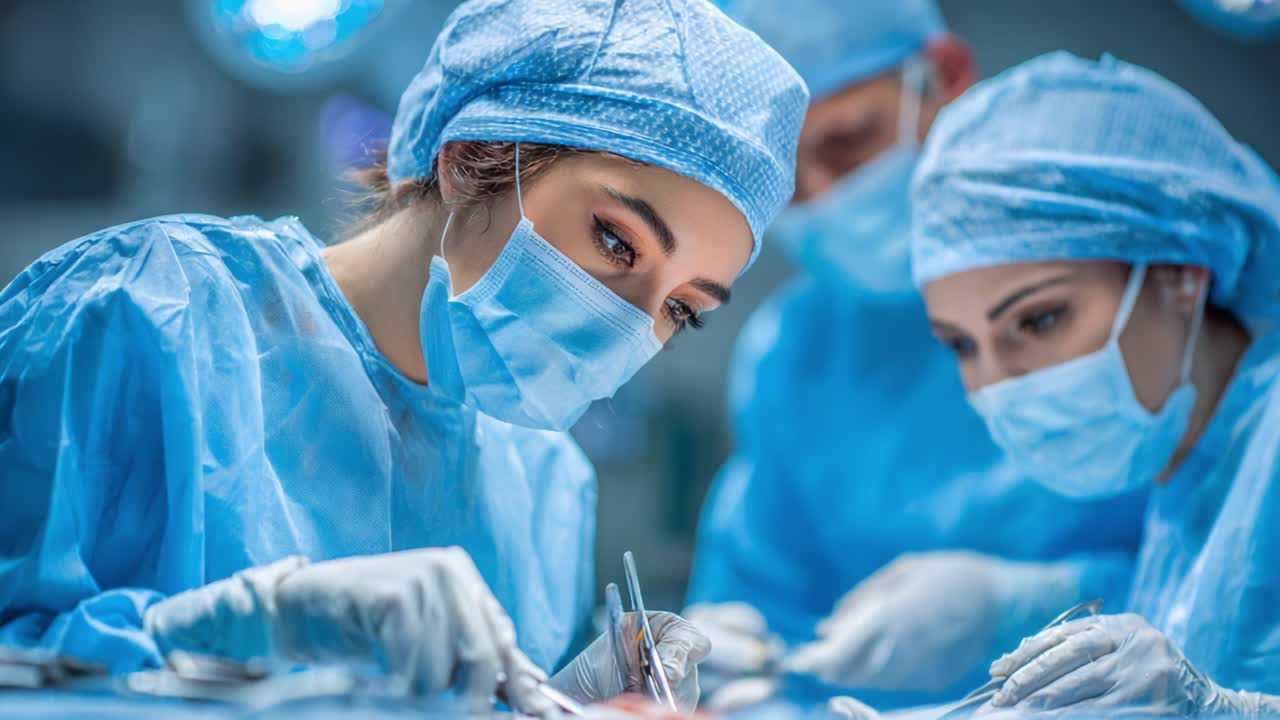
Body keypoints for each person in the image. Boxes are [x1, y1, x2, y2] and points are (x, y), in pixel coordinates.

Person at [0, 0, 808, 715]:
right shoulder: (141, 316)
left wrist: (564, 705)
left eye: (681, 309)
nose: (630, 328)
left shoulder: (546, 485)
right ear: (471, 156)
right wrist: (241, 628)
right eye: (615, 241)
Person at [683, 0, 1146, 708]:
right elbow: (764, 603)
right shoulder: (793, 353)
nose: (824, 200)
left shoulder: (1118, 277)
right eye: (783, 182)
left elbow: (1240, 582)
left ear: (946, 77)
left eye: (848, 142)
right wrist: (732, 672)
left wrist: (1038, 602)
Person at [901, 51, 1280, 715]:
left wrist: (1223, 709)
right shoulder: (1194, 474)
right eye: (961, 344)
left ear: (1181, 275)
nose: (998, 382)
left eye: (1039, 319)